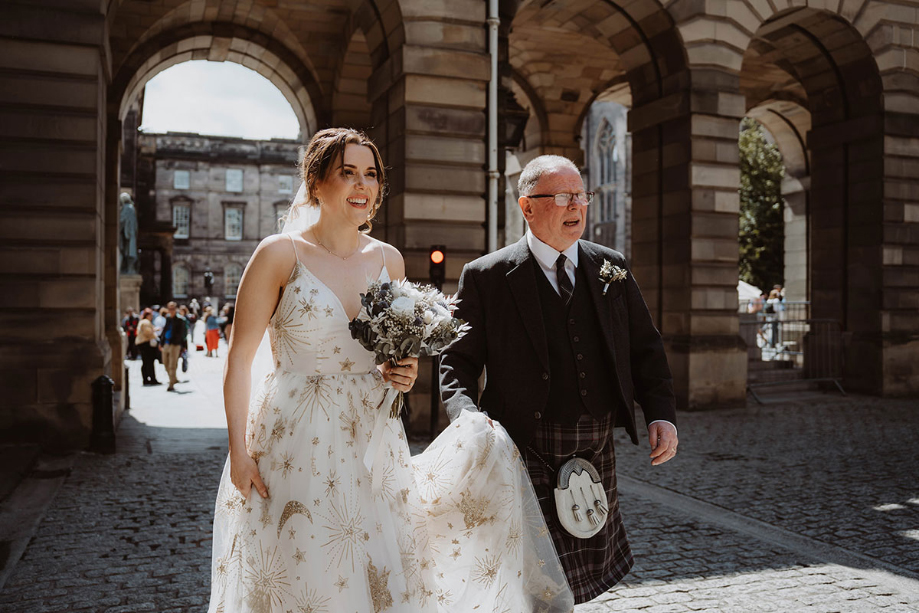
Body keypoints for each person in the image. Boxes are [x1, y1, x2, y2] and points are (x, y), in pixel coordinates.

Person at [207, 128, 572, 613]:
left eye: (371, 175)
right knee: (308, 568)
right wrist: (238, 451)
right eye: (348, 173)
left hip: (372, 435)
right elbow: (239, 360)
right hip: (294, 436)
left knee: (377, 565)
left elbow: (390, 357)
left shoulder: (387, 259)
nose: (362, 185)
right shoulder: (278, 254)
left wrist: (402, 373)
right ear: (316, 182)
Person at [440, 154, 679, 604]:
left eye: (582, 195)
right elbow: (457, 362)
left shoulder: (612, 267)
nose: (578, 206)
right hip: (522, 440)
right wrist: (468, 418)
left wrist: (661, 415)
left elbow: (646, 349)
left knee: (577, 573)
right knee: (532, 568)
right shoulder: (487, 275)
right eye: (564, 197)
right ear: (527, 206)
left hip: (594, 437)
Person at [160, 301, 188, 391]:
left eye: (172, 309)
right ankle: (173, 378)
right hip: (166, 343)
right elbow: (165, 330)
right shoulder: (168, 319)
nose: (171, 311)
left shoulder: (180, 320)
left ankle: (171, 383)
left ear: (175, 309)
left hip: (175, 344)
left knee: (172, 364)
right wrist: (161, 343)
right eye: (169, 309)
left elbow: (183, 334)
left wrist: (183, 346)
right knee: (165, 363)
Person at [135, 308, 160, 385]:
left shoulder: (142, 321)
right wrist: (155, 332)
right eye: (151, 315)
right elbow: (148, 332)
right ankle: (151, 379)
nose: (152, 317)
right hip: (145, 343)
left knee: (146, 362)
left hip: (142, 343)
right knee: (149, 362)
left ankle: (146, 379)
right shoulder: (146, 322)